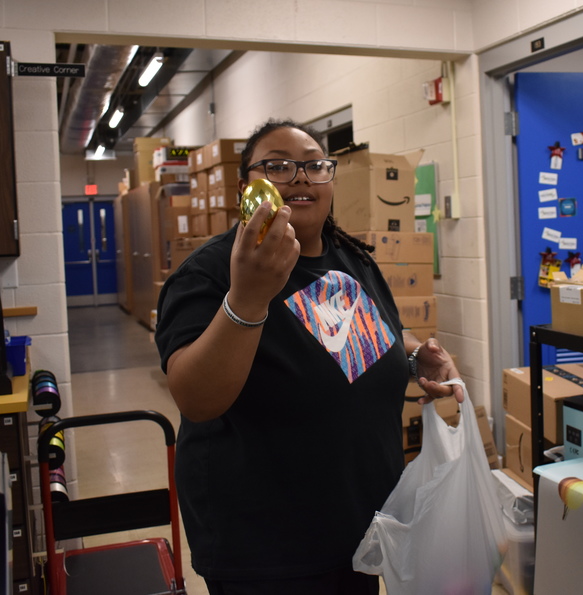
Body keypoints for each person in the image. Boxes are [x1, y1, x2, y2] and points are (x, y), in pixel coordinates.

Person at [155, 119, 462, 595]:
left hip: (360, 533)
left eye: (315, 166)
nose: (300, 177)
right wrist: (248, 298)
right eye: (277, 166)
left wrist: (414, 354)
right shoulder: (212, 273)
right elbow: (195, 398)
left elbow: (363, 338)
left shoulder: (349, 258)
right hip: (269, 551)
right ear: (246, 188)